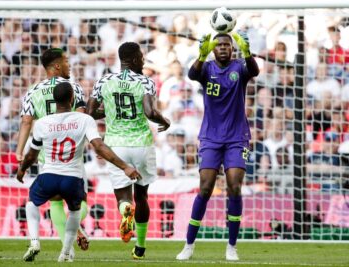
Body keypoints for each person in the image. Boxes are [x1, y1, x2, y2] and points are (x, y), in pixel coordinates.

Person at [17, 82, 141, 262]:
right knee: (75, 210)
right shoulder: (84, 120)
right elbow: (99, 147)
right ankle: (66, 252)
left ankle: (35, 241)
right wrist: (125, 167)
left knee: (31, 202)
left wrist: (21, 170)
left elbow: (31, 155)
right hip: (73, 178)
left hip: (48, 176)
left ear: (54, 100)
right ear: (72, 99)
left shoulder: (42, 123)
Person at [176, 32, 259, 261]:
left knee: (234, 185)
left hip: (236, 137)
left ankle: (232, 246)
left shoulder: (240, 67)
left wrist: (248, 52)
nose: (223, 48)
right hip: (211, 138)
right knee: (205, 187)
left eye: (227, 45)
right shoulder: (207, 68)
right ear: (213, 49)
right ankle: (189, 244)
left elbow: (255, 71)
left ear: (233, 49)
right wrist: (201, 55)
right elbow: (192, 74)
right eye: (219, 45)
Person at [87, 42, 170, 259]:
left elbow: (89, 112)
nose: (143, 61)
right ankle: (140, 247)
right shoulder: (145, 82)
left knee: (124, 196)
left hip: (116, 145)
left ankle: (125, 209)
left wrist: (110, 112)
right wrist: (165, 120)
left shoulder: (104, 81)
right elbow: (150, 112)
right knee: (142, 196)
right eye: (141, 57)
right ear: (133, 59)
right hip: (141, 143)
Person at [15, 48, 90, 253]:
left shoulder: (33, 90)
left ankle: (68, 248)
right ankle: (74, 231)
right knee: (81, 202)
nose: (69, 65)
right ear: (57, 66)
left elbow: (26, 121)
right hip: (72, 152)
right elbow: (81, 116)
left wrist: (19, 151)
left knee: (54, 204)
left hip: (47, 153)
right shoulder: (73, 87)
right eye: (66, 61)